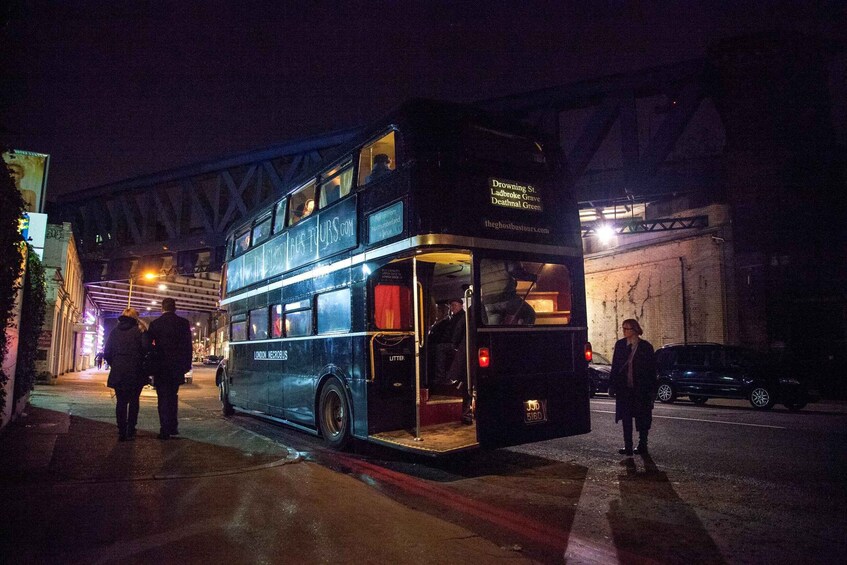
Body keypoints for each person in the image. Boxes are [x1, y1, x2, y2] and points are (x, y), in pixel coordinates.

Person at [147, 298, 193, 440]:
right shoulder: (183, 323)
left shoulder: (155, 324)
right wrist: (186, 365)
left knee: (162, 398)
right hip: (176, 367)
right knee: (173, 396)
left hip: (160, 367)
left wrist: (151, 366)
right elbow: (188, 347)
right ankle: (173, 426)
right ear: (175, 308)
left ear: (162, 308)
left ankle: (164, 429)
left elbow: (149, 346)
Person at [609, 319, 657, 456]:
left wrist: (652, 390)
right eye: (623, 328)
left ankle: (643, 445)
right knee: (626, 417)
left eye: (627, 328)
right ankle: (628, 446)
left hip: (641, 389)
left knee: (643, 417)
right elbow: (615, 367)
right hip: (625, 389)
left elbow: (651, 370)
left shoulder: (645, 347)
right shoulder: (620, 345)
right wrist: (612, 386)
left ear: (635, 330)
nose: (624, 331)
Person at [103, 307, 149, 441]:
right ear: (136, 318)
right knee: (134, 401)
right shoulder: (139, 331)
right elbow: (147, 350)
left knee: (121, 402)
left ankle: (121, 430)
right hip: (136, 372)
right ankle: (131, 428)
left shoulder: (114, 332)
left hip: (119, 371)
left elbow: (107, 353)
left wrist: (116, 364)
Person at [479, 260, 537, 325]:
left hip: (488, 301)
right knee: (529, 314)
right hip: (506, 297)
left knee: (494, 327)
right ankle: (521, 334)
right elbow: (515, 271)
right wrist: (534, 277)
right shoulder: (505, 257)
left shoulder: (483, 261)